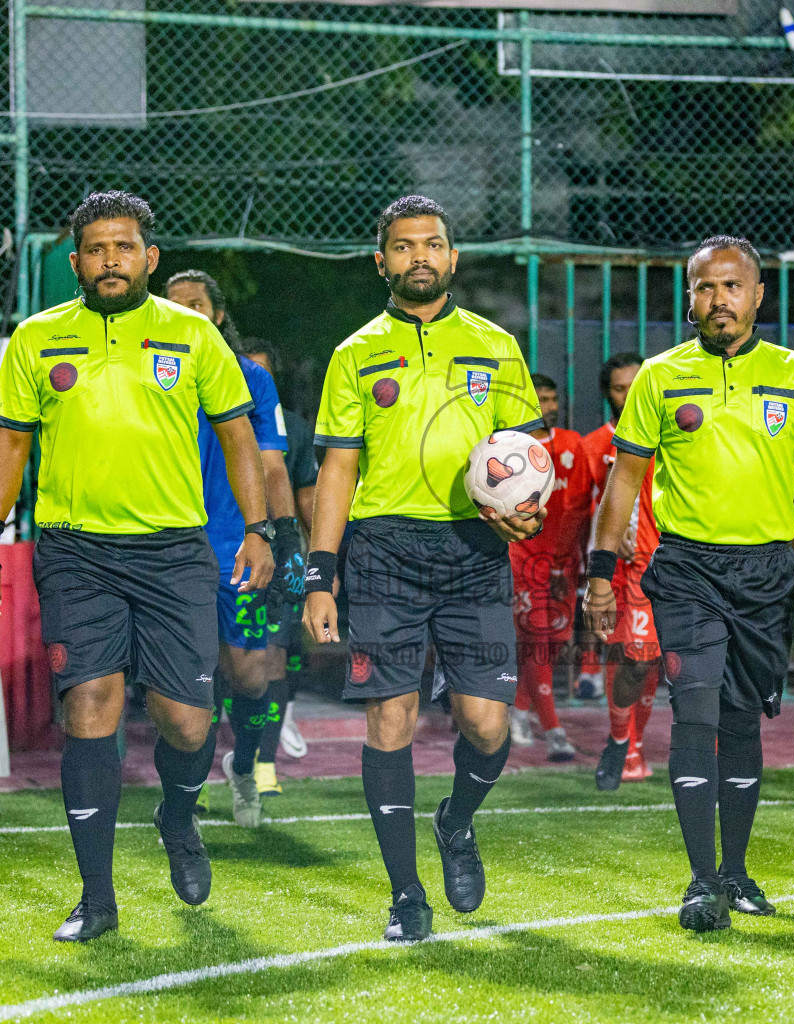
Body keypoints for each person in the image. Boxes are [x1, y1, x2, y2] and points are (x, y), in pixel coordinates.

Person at [0, 191, 275, 942]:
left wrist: (260, 529)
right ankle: (96, 897)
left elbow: (239, 437)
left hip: (174, 551)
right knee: (90, 710)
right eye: (97, 249)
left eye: (125, 247)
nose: (111, 260)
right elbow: (10, 443)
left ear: (150, 257)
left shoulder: (193, 338)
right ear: (75, 262)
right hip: (76, 551)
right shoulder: (38, 338)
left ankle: (177, 813)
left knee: (188, 722)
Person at [586, 235, 794, 932]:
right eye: (706, 288)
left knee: (744, 717)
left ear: (757, 295)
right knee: (696, 709)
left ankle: (736, 872)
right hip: (687, 568)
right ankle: (698, 881)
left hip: (765, 571)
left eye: (733, 287)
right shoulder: (659, 377)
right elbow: (624, 481)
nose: (720, 300)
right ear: (689, 298)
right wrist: (600, 574)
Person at [303, 195, 544, 942]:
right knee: (390, 722)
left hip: (474, 551)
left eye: (431, 244)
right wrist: (320, 573)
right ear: (382, 262)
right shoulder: (354, 354)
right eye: (403, 247)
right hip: (383, 552)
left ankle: (457, 820)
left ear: (452, 257)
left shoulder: (497, 346)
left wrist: (528, 511)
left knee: (487, 727)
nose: (418, 257)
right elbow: (339, 470)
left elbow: (528, 454)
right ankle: (406, 894)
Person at [164, 271, 301, 826]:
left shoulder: (252, 379)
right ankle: (183, 796)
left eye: (199, 305)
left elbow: (271, 465)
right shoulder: (156, 376)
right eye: (177, 308)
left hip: (236, 550)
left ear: (219, 314)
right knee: (185, 682)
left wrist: (287, 536)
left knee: (248, 676)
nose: (190, 315)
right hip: (170, 551)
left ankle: (243, 767)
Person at [581, 352, 664, 789]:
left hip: (663, 564)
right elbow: (580, 510)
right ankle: (622, 742)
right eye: (619, 387)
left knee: (651, 661)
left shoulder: (669, 436)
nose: (629, 394)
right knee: (626, 656)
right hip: (616, 569)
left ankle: (632, 741)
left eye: (637, 385)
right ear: (607, 394)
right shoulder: (594, 445)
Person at [241, 338, 319, 775]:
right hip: (221, 554)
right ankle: (215, 765)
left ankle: (264, 764)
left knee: (274, 657)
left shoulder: (295, 428)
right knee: (223, 664)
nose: (253, 383)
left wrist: (323, 568)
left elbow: (308, 499)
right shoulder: (210, 421)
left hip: (281, 555)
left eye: (262, 374)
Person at [509, 373, 593, 761]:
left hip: (565, 561)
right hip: (524, 558)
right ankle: (554, 728)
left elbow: (579, 508)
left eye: (552, 398)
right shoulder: (508, 450)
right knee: (536, 639)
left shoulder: (573, 444)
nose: (548, 406)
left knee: (555, 642)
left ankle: (520, 710)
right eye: (540, 399)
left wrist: (570, 560)